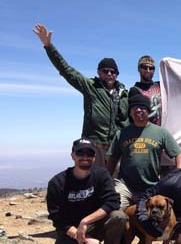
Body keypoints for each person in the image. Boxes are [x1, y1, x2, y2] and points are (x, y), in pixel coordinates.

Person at [33, 24, 128, 167]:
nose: (109, 74)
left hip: (116, 146)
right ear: (98, 72)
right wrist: (48, 46)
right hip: (96, 145)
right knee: (94, 181)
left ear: (117, 74)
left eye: (112, 71)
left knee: (114, 183)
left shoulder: (124, 93)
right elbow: (66, 70)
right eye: (105, 71)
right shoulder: (90, 86)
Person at [46, 138, 127, 244]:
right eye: (80, 153)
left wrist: (85, 221)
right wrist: (85, 238)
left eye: (89, 153)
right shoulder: (57, 183)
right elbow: (58, 219)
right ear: (73, 156)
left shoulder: (101, 175)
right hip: (71, 232)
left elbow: (113, 202)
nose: (85, 157)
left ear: (94, 157)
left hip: (96, 225)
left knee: (118, 216)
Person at [106, 94, 181, 209]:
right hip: (125, 185)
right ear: (130, 112)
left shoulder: (161, 133)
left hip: (151, 186)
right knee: (114, 210)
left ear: (148, 111)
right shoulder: (122, 133)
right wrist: (106, 180)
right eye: (134, 108)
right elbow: (112, 159)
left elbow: (177, 154)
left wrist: (178, 172)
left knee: (153, 216)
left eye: (142, 107)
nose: (138, 110)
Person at [129, 56, 162, 125]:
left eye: (151, 68)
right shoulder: (135, 90)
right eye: (144, 67)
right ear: (139, 69)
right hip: (145, 131)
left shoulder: (160, 85)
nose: (148, 70)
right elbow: (133, 116)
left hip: (161, 130)